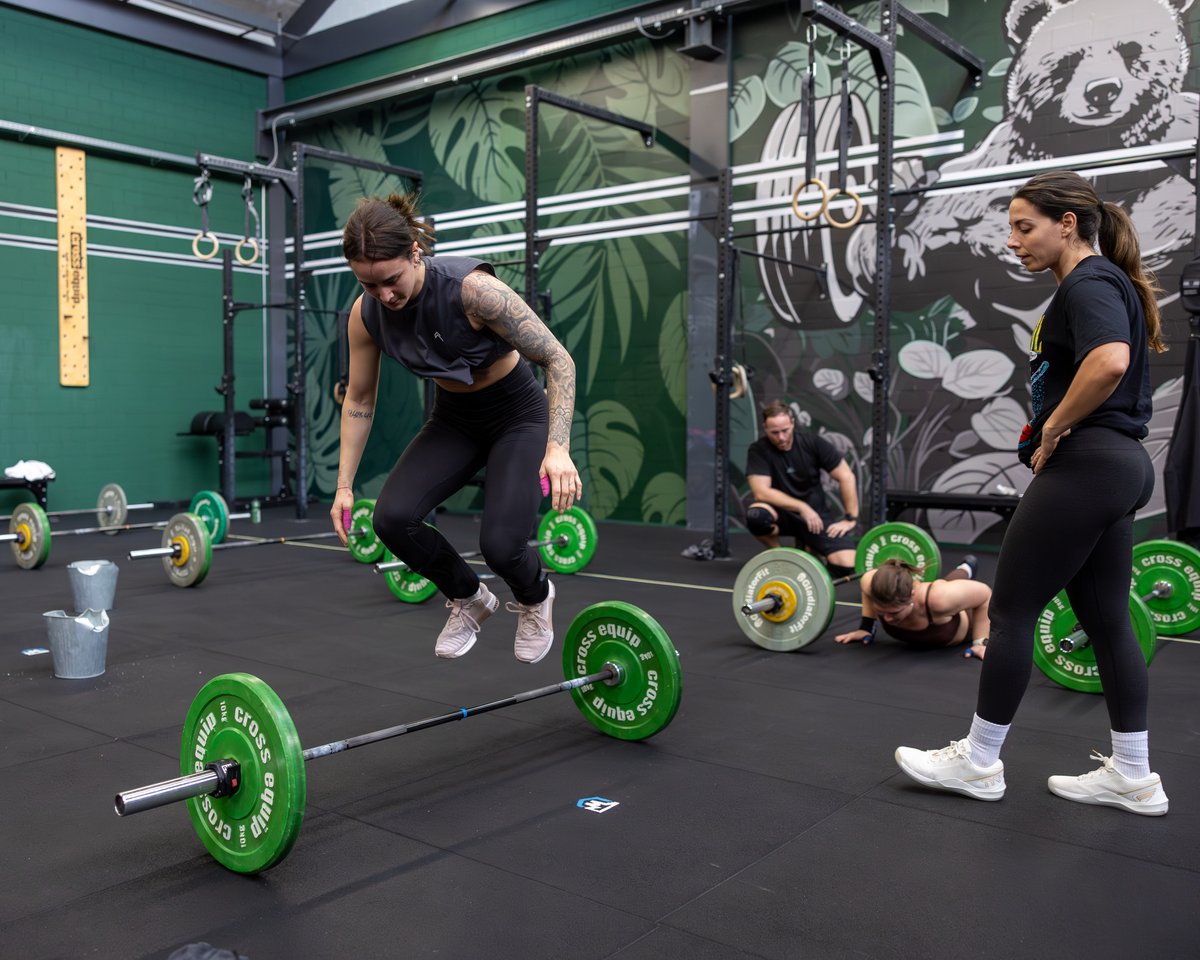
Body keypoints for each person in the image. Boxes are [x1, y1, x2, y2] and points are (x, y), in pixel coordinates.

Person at [894, 171, 1170, 816]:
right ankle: (1134, 775)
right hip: (1119, 466)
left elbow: (1110, 361)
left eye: (1024, 227)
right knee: (1107, 622)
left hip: (1089, 463)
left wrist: (1053, 426)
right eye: (1010, 228)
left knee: (1013, 611)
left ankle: (979, 761)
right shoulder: (1102, 282)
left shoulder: (1089, 281)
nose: (1012, 241)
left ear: (1067, 224)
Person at [330, 193, 583, 663]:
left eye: (391, 280)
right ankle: (468, 598)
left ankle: (535, 598)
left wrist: (558, 447)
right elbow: (359, 399)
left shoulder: (473, 291)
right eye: (368, 284)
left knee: (501, 547)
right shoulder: (365, 317)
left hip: (518, 413)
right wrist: (344, 486)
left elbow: (558, 360)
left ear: (415, 253)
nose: (385, 295)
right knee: (391, 519)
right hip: (455, 418)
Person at [744, 400, 860, 576]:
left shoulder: (812, 443)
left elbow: (846, 476)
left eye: (785, 430)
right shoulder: (758, 450)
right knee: (756, 516)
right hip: (780, 514)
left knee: (846, 566)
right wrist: (801, 507)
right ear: (765, 428)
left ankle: (810, 547)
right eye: (774, 433)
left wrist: (850, 518)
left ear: (792, 423)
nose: (781, 437)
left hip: (815, 517)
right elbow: (761, 492)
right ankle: (781, 556)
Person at [833, 556, 992, 659]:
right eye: (881, 611)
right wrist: (866, 627)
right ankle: (966, 566)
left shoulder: (939, 598)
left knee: (945, 591)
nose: (887, 618)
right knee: (947, 586)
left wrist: (980, 642)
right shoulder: (871, 582)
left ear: (911, 596)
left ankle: (967, 566)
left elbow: (985, 595)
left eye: (894, 612)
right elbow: (867, 587)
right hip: (936, 603)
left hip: (966, 621)